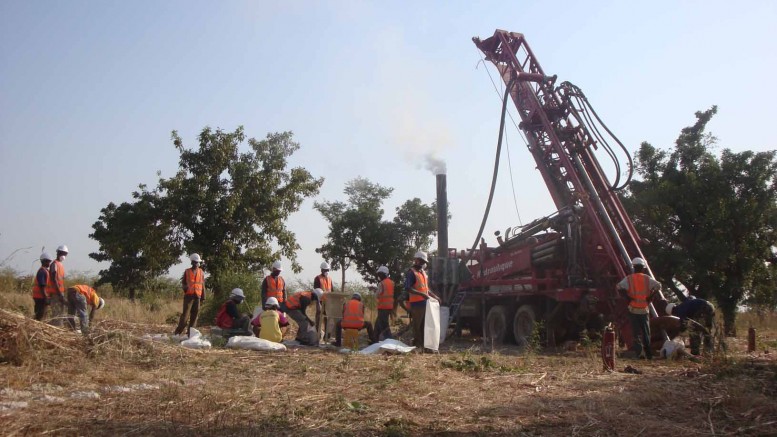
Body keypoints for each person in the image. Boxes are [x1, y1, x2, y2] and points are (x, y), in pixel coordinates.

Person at [616, 257, 661, 359]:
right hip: (644, 310)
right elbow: (659, 286)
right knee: (646, 333)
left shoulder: (629, 279)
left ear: (633, 267)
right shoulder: (647, 278)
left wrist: (627, 297)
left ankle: (639, 354)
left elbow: (619, 287)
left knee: (636, 334)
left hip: (633, 310)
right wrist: (651, 296)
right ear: (643, 268)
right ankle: (649, 355)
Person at [404, 251, 441, 349]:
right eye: (420, 261)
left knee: (425, 326)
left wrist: (434, 296)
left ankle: (425, 346)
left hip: (425, 303)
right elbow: (408, 288)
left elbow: (426, 289)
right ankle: (417, 346)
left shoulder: (423, 273)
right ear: (416, 260)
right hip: (416, 304)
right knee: (417, 326)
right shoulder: (411, 272)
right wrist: (422, 294)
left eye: (423, 262)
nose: (422, 263)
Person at [174, 253, 206, 336]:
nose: (197, 264)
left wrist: (203, 297)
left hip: (197, 297)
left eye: (198, 262)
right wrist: (186, 289)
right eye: (195, 262)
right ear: (192, 262)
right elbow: (183, 283)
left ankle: (190, 334)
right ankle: (177, 333)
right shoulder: (187, 271)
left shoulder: (201, 272)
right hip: (189, 297)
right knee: (185, 316)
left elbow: (202, 285)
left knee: (194, 316)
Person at [46, 245, 68, 326]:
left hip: (60, 293)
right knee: (56, 314)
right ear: (58, 253)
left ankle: (59, 329)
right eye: (63, 253)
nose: (64, 255)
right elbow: (54, 279)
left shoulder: (60, 265)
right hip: (56, 294)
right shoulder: (54, 264)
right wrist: (59, 294)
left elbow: (60, 281)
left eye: (66, 254)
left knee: (60, 314)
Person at [374, 265, 395, 341]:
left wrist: (374, 290)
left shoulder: (381, 283)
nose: (379, 276)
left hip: (382, 307)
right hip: (389, 307)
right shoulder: (392, 283)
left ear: (384, 274)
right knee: (378, 324)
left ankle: (389, 340)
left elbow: (377, 295)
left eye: (380, 274)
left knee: (384, 325)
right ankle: (374, 340)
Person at [314, 261, 333, 340]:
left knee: (328, 318)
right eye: (325, 270)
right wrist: (318, 302)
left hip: (328, 302)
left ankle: (327, 335)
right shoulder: (317, 278)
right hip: (320, 301)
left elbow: (332, 290)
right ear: (321, 270)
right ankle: (317, 334)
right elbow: (316, 291)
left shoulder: (329, 279)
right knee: (319, 317)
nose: (326, 271)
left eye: (328, 270)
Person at [32, 253, 52, 321]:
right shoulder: (42, 271)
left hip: (41, 296)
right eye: (48, 261)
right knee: (39, 315)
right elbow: (42, 286)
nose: (49, 263)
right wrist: (46, 297)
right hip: (40, 297)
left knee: (42, 314)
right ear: (43, 261)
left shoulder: (45, 271)